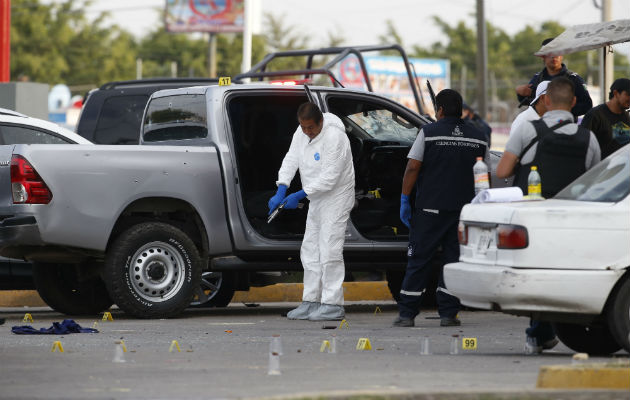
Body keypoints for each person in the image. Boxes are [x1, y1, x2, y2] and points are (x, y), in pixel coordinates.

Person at [497, 77, 601, 353]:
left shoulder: (527, 129)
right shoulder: (588, 138)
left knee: (537, 273)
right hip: (572, 218)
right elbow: (594, 180)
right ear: (574, 103)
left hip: (534, 217)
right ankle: (564, 330)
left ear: (545, 100)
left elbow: (503, 172)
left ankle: (539, 332)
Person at [394, 89, 488, 328]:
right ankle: (448, 314)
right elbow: (483, 175)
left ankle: (407, 314)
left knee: (419, 260)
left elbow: (413, 167)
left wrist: (405, 199)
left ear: (440, 110)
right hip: (463, 211)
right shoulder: (479, 136)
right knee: (453, 261)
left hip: (430, 211)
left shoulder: (428, 132)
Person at [268, 102, 355, 321]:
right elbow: (292, 158)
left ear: (321, 122)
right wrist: (282, 187)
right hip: (316, 198)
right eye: (303, 127)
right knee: (310, 249)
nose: (307, 132)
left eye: (311, 128)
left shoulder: (335, 137)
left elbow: (330, 178)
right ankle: (311, 301)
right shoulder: (302, 131)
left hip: (336, 197)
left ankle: (333, 304)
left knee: (330, 249)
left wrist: (299, 195)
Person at [515, 38, 592, 119]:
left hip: (565, 126)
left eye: (557, 52)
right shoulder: (538, 78)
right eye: (550, 53)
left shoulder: (573, 79)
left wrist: (562, 108)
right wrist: (521, 93)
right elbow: (529, 102)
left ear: (562, 55)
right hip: (542, 126)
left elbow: (587, 105)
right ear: (543, 56)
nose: (554, 57)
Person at [580, 78, 630, 159]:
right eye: (628, 94)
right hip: (599, 169)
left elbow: (623, 143)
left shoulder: (625, 116)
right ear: (616, 93)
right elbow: (583, 145)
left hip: (617, 168)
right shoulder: (595, 115)